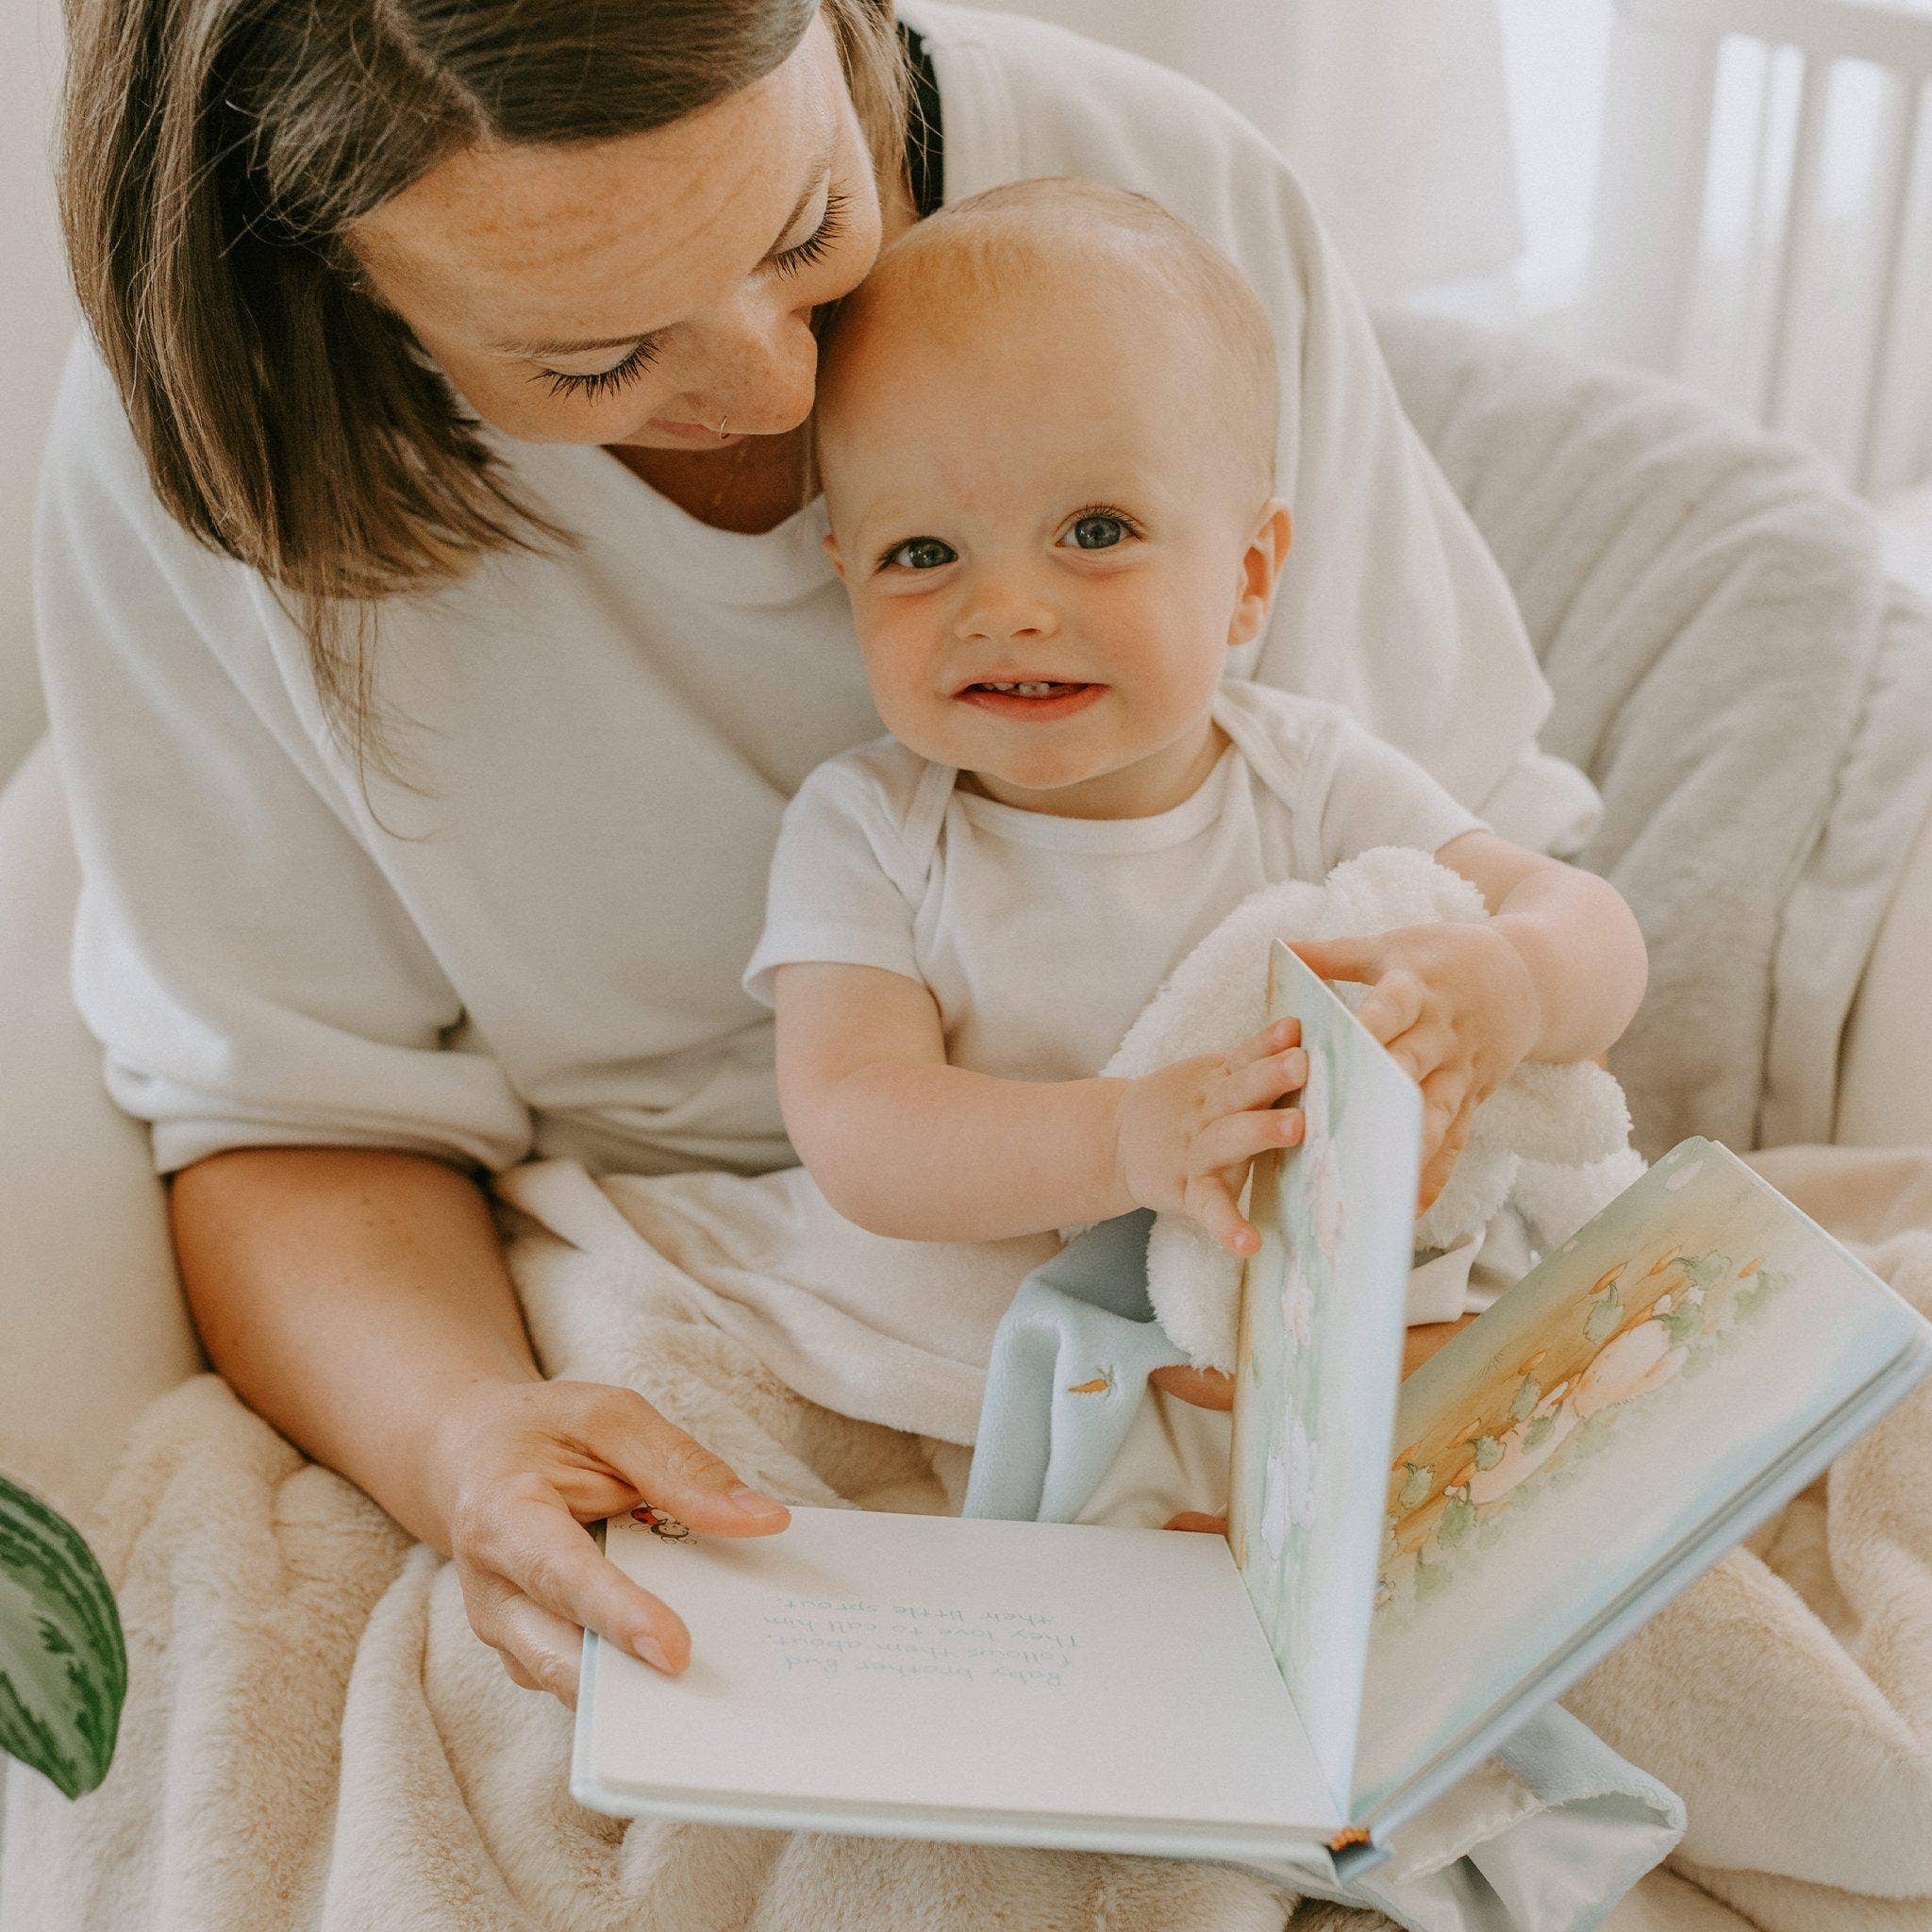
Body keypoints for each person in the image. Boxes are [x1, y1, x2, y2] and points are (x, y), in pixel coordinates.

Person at [42, 0, 1601, 1708]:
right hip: (730, 1290)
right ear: (327, 291)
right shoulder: (210, 472)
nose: (785, 391)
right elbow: (296, 1114)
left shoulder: (1164, 198)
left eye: (810, 230)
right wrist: (466, 1440)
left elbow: (1462, 903)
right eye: (592, 360)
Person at [744, 181, 1646, 1519]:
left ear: (1247, 576)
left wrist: (1505, 985)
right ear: (844, 572)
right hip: (1034, 1349)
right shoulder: (873, 828)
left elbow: (1588, 926)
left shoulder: (1312, 775)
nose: (1004, 610)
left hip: (1322, 1337)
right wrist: (1121, 1140)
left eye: (1094, 534)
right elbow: (857, 1124)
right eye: (921, 553)